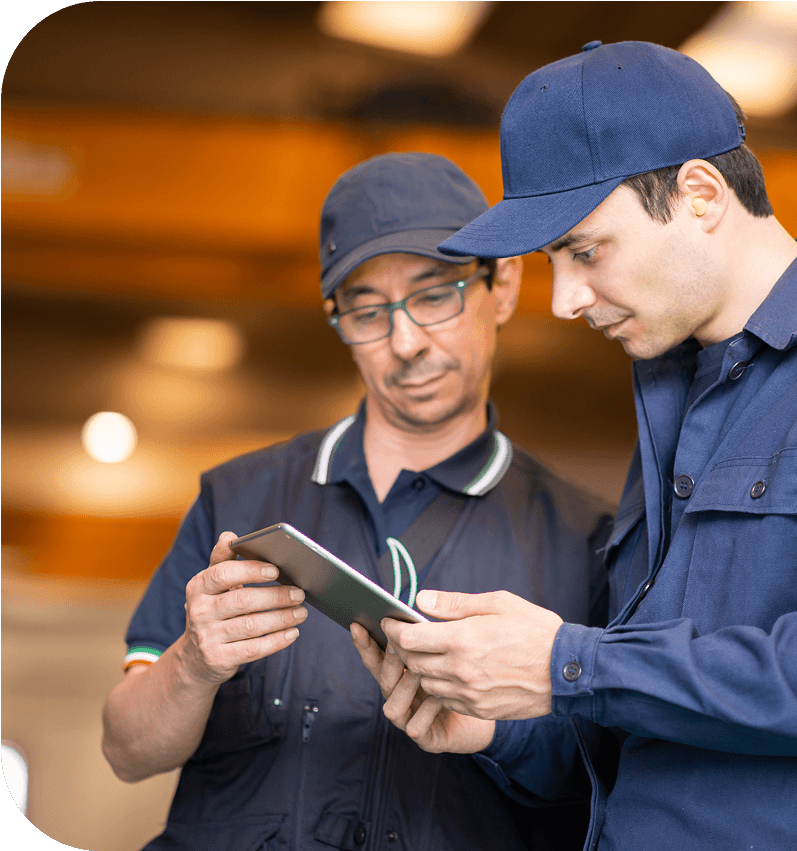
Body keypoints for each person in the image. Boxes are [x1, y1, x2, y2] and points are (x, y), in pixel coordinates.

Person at [353, 42, 797, 850]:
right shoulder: (673, 391)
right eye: (553, 262)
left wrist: (565, 662)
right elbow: (654, 735)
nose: (566, 300)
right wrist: (496, 723)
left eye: (583, 251)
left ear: (698, 193)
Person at [101, 151, 612, 851]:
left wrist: (494, 730)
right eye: (367, 312)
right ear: (336, 318)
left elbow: (609, 780)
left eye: (436, 296)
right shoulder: (237, 498)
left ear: (502, 285)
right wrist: (194, 659)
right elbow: (127, 749)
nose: (405, 343)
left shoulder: (586, 538)